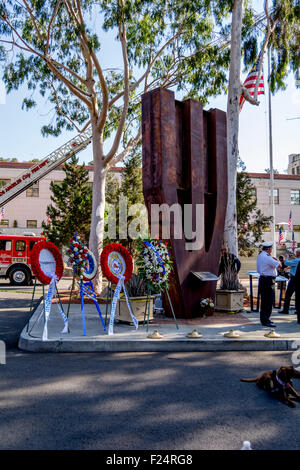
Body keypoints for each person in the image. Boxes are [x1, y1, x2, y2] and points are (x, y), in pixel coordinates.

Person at [257, 241, 280, 327]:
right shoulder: (267, 257)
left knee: (264, 301)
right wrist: (277, 260)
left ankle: (264, 319)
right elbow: (279, 265)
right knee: (268, 300)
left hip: (263, 279)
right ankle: (266, 319)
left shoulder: (260, 256)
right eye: (271, 249)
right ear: (269, 249)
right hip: (268, 280)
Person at [279, 249, 300, 314]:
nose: (295, 254)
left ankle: (285, 309)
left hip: (294, 279)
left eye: (296, 253)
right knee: (298, 295)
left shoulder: (296, 260)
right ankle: (298, 310)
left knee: (288, 294)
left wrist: (286, 258)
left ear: (298, 253)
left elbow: (287, 263)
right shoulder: (297, 259)